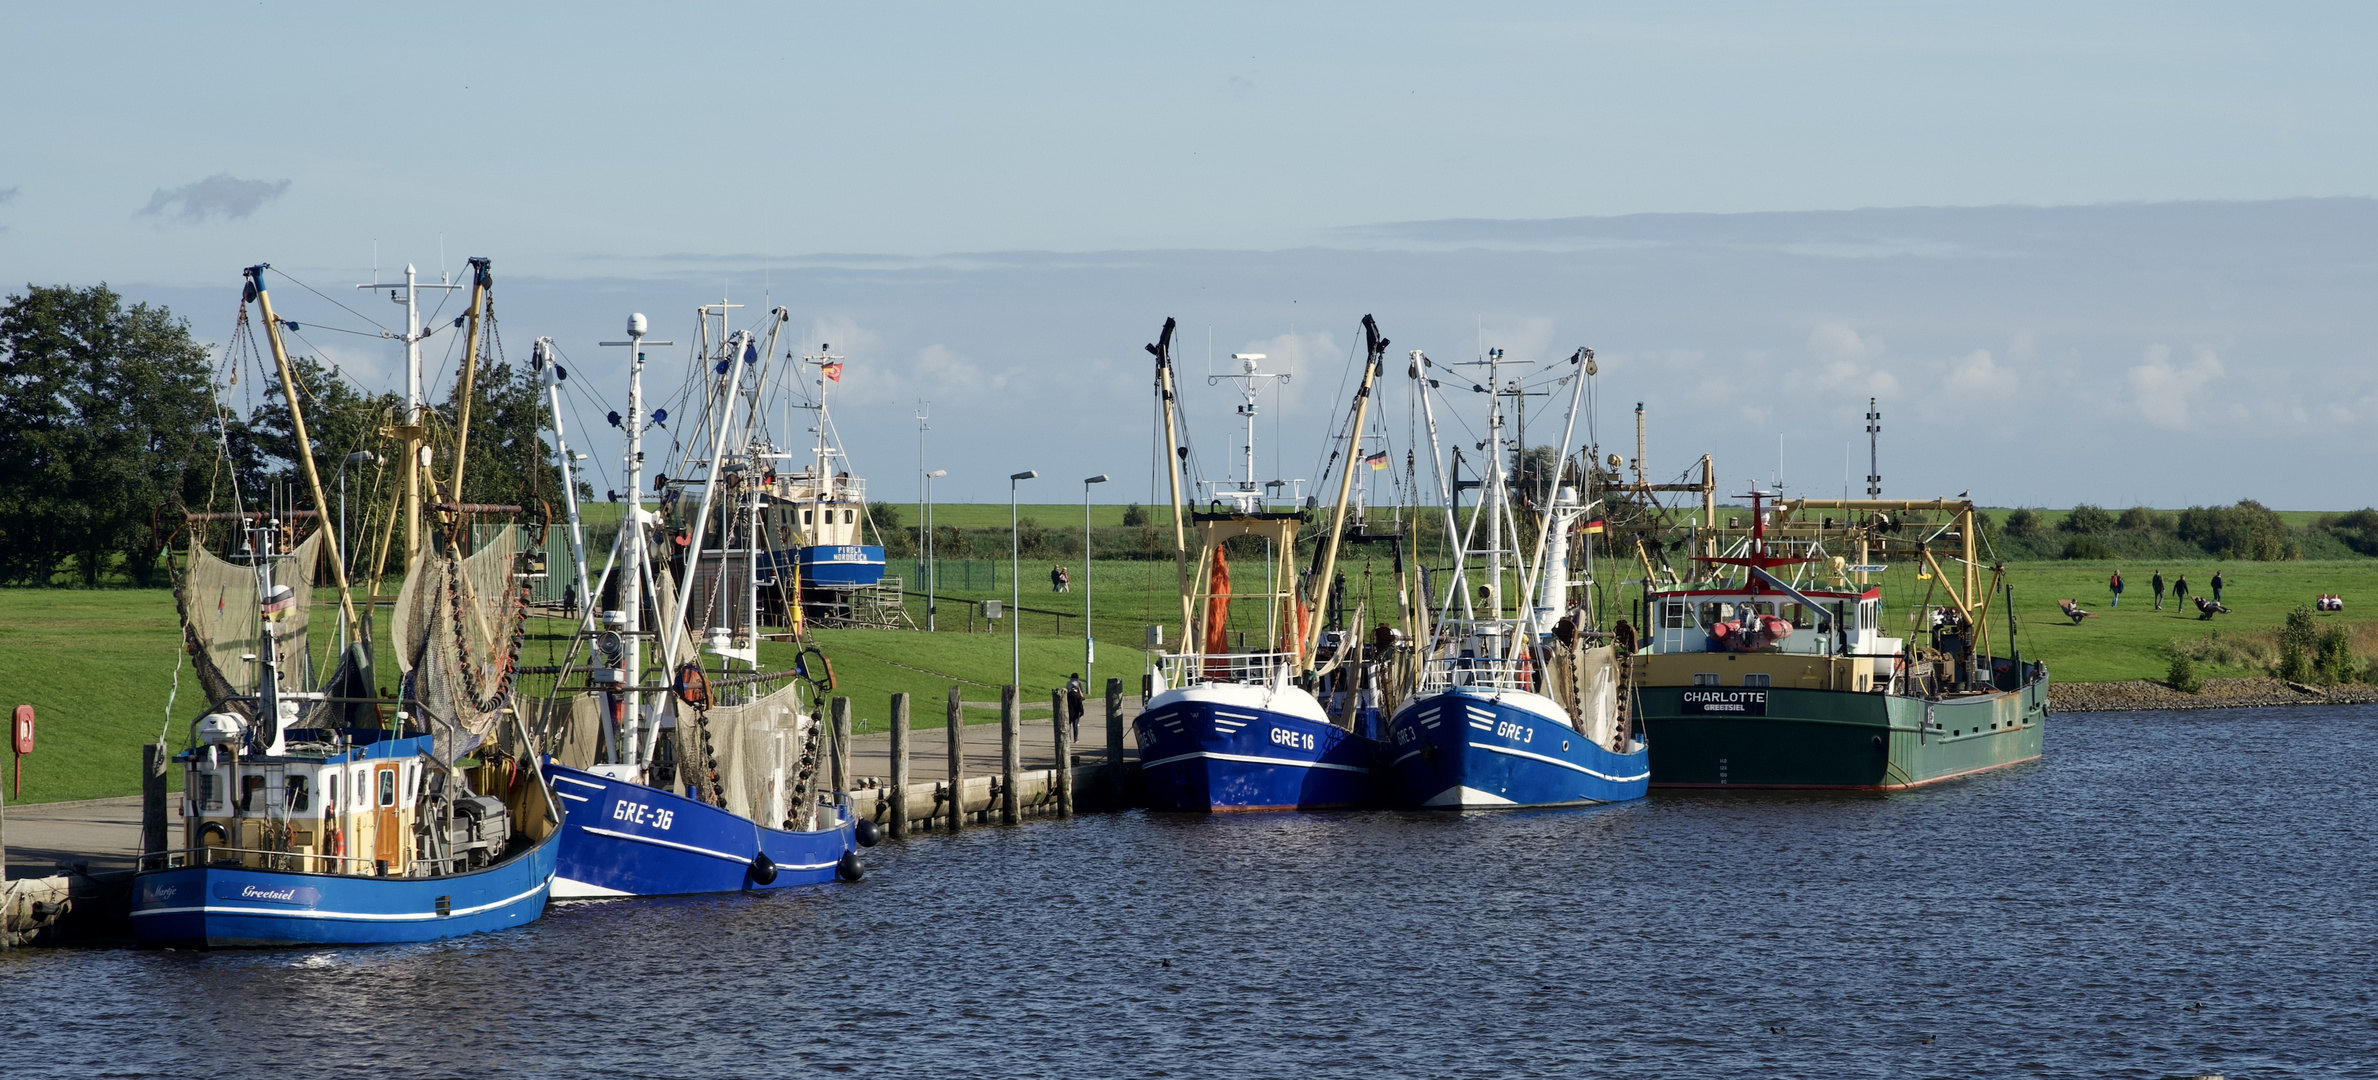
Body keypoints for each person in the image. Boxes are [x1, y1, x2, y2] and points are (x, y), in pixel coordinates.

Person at [1065, 673, 1086, 740]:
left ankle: (1068, 738)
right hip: (1077, 699)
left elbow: (1067, 690)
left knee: (1068, 723)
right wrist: (1082, 712)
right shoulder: (1079, 683)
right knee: (1076, 723)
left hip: (1069, 699)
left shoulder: (1068, 682)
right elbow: (1082, 691)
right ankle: (1076, 738)